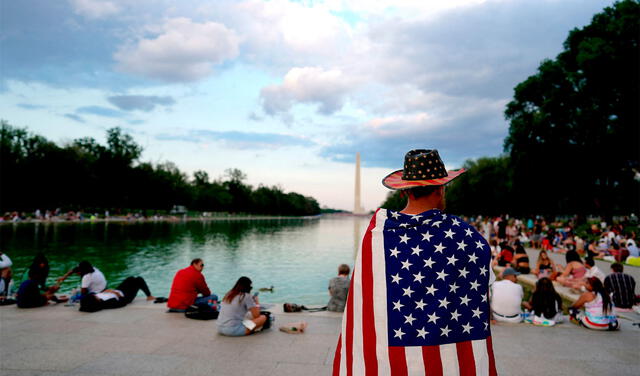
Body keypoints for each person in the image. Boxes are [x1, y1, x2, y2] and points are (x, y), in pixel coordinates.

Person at [333, 149, 496, 375]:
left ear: (403, 192)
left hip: (395, 360)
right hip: (449, 359)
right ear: (440, 188)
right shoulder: (466, 236)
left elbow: (368, 303)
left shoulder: (377, 235)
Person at [79, 276, 155, 312]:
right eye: (94, 296)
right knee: (138, 279)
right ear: (95, 300)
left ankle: (149, 295)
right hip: (126, 296)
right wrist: (116, 294)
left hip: (118, 290)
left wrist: (106, 291)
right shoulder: (106, 303)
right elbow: (122, 303)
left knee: (130, 278)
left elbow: (99, 294)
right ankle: (149, 296)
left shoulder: (97, 297)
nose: (95, 295)